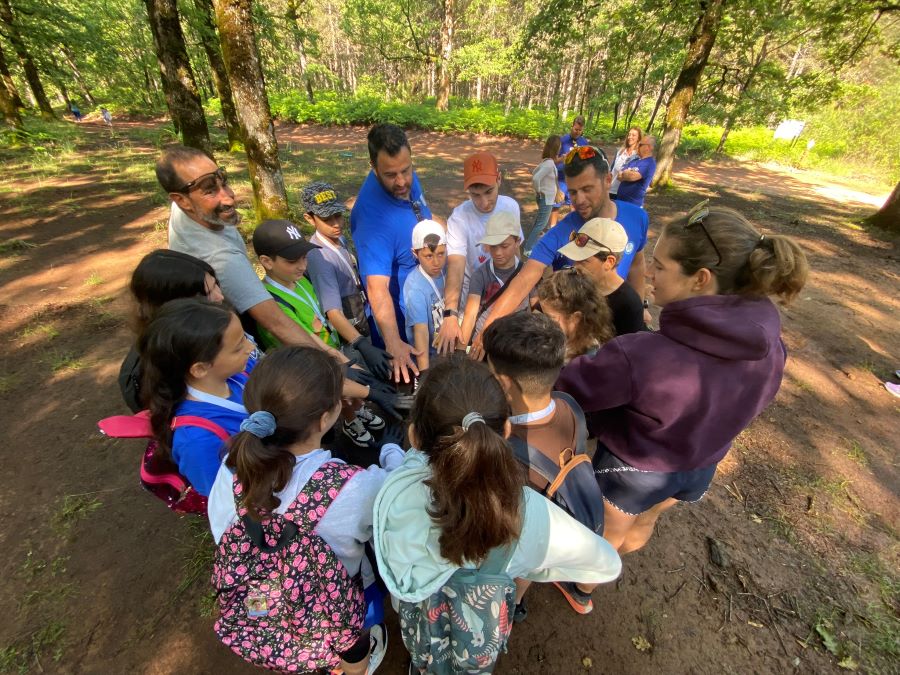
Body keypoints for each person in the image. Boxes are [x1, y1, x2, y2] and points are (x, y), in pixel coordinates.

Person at [556, 203, 809, 556]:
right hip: (700, 465)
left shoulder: (644, 355)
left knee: (605, 533)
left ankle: (582, 586)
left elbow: (569, 388)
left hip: (633, 470)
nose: (648, 276)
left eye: (659, 267)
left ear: (700, 278)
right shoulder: (771, 348)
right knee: (645, 521)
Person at [373, 357, 621, 672]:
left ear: (415, 438)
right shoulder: (529, 513)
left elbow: (406, 468)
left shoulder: (393, 494)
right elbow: (606, 564)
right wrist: (530, 567)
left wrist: (390, 454)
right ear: (505, 429)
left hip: (420, 628)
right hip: (472, 643)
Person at [209, 346, 402, 675]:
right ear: (325, 418)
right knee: (353, 640)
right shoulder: (352, 487)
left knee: (297, 626)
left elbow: (220, 528)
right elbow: (394, 493)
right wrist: (391, 451)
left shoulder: (233, 462)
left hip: (262, 597)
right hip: (333, 597)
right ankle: (348, 669)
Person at [155, 146, 391, 412]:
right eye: (210, 190)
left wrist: (339, 354)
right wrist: (338, 366)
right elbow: (276, 322)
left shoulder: (194, 210)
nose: (230, 197)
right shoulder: (219, 258)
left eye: (224, 180)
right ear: (181, 200)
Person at [472, 145, 648, 357]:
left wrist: (641, 306)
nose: (579, 200)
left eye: (587, 189)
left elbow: (637, 264)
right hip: (574, 345)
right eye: (572, 192)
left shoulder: (637, 218)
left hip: (620, 333)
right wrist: (487, 328)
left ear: (608, 180)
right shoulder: (561, 233)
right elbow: (524, 280)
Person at [482, 311, 604, 615]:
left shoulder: (503, 452)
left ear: (504, 382)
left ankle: (504, 608)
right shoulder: (568, 404)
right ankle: (518, 603)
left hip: (517, 537)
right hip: (549, 528)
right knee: (530, 564)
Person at [138, 298, 256, 497]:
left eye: (244, 337)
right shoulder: (198, 441)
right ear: (200, 368)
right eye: (238, 347)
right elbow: (225, 502)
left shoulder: (240, 373)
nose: (250, 347)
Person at [118, 249, 255, 413]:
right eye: (207, 293)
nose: (220, 296)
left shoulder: (220, 320)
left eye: (216, 284)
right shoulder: (151, 374)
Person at [350, 124, 432, 384]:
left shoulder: (407, 179)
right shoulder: (371, 219)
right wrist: (394, 344)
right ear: (373, 166)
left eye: (406, 170)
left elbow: (418, 211)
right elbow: (376, 288)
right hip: (399, 326)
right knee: (411, 393)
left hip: (424, 305)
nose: (401, 182)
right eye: (390, 175)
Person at [302, 181, 392, 380]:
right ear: (310, 218)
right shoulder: (319, 257)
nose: (336, 224)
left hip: (362, 317)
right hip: (349, 337)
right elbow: (333, 312)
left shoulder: (339, 239)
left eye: (338, 215)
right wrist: (361, 344)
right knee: (366, 380)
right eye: (327, 218)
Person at [436, 152, 522, 355]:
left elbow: (516, 251)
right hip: (473, 301)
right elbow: (456, 266)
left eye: (489, 192)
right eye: (475, 195)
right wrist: (450, 314)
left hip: (505, 293)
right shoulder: (460, 218)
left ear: (499, 179)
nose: (484, 202)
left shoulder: (510, 206)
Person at [557, 217, 646, 335]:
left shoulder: (628, 304)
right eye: (575, 260)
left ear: (609, 262)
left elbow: (630, 349)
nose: (575, 266)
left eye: (583, 261)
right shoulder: (578, 283)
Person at [459, 211, 530, 347]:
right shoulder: (480, 275)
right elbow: (470, 314)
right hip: (484, 343)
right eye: (493, 246)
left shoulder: (527, 272)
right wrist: (460, 352)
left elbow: (536, 307)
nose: (498, 253)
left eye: (504, 246)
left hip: (516, 343)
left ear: (517, 242)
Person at [537, 268, 615, 361]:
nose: (543, 322)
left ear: (576, 318)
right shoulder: (562, 341)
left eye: (549, 317)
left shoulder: (589, 360)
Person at [401, 220, 447, 375]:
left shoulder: (448, 270)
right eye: (428, 256)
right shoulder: (415, 287)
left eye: (441, 253)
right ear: (415, 253)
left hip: (449, 352)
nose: (436, 262)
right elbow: (420, 331)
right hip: (431, 359)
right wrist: (424, 373)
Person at [526, 135, 562, 254]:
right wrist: (539, 190)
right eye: (559, 146)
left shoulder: (548, 162)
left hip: (546, 198)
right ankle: (528, 248)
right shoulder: (549, 164)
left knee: (539, 222)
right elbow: (536, 178)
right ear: (556, 148)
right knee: (541, 225)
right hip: (546, 198)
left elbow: (535, 172)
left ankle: (531, 244)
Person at [554, 115, 588, 204]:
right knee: (556, 205)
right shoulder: (562, 140)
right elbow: (553, 159)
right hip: (561, 179)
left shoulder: (584, 142)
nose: (577, 132)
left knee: (574, 206)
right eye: (576, 129)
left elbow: (587, 162)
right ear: (571, 126)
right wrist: (562, 159)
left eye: (580, 130)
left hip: (576, 181)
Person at [616, 135, 657, 207]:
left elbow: (632, 177)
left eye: (640, 144)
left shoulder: (649, 163)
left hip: (633, 204)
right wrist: (628, 172)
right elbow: (619, 176)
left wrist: (625, 172)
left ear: (649, 147)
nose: (637, 146)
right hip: (620, 201)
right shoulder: (634, 160)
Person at [609, 126, 642, 200]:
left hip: (625, 193)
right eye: (629, 134)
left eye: (633, 135)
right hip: (611, 190)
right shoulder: (620, 152)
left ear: (638, 138)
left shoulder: (638, 157)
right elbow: (612, 169)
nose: (630, 137)